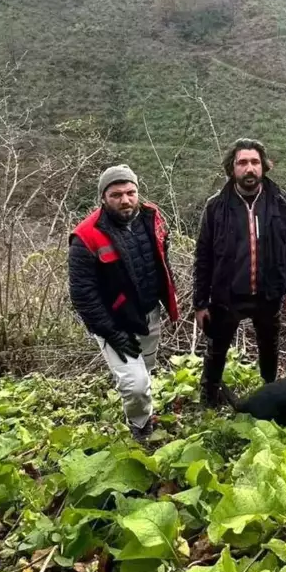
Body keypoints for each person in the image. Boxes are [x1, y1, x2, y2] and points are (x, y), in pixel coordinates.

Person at [69, 165, 178, 442]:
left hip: (148, 313)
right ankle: (140, 428)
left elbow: (161, 261)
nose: (125, 199)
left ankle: (144, 410)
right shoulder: (86, 236)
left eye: (131, 192)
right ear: (103, 198)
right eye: (116, 194)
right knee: (136, 384)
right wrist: (111, 333)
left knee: (146, 372)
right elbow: (83, 294)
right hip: (114, 322)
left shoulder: (151, 217)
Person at [193, 138, 286, 406]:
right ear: (232, 168)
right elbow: (203, 256)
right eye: (242, 162)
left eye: (254, 162)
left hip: (268, 291)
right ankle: (209, 400)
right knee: (217, 348)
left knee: (269, 345)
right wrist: (200, 302)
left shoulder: (280, 203)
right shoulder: (216, 206)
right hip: (227, 293)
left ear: (264, 166)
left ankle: (269, 393)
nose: (249, 168)